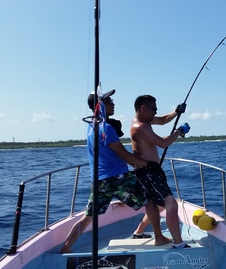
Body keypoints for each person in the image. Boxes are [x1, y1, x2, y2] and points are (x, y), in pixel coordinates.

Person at [60, 90, 171, 253]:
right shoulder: (107, 128)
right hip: (118, 178)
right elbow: (124, 155)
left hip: (99, 181)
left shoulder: (91, 128)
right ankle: (159, 238)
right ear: (100, 105)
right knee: (150, 201)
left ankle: (65, 247)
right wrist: (147, 164)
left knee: (88, 217)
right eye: (109, 101)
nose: (113, 104)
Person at [130, 94, 190, 249]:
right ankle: (179, 243)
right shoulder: (140, 127)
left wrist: (176, 112)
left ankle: (139, 232)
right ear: (143, 108)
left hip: (151, 172)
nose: (156, 112)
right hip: (148, 173)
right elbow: (163, 144)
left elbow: (163, 120)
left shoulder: (145, 122)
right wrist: (179, 131)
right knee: (171, 205)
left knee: (157, 206)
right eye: (153, 109)